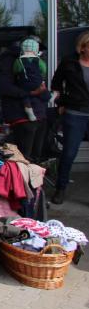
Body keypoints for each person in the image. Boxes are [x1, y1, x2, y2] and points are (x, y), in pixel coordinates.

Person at [50, 30, 89, 204]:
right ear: (83, 47)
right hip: (75, 113)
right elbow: (56, 84)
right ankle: (61, 187)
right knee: (69, 153)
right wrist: (61, 102)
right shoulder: (70, 62)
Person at [0, 37, 50, 163]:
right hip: (22, 117)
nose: (39, 53)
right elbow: (6, 87)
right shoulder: (13, 61)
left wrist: (44, 94)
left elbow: (40, 88)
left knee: (34, 158)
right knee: (24, 159)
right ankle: (24, 182)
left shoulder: (31, 61)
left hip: (38, 115)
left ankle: (32, 181)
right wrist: (32, 93)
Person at [13, 37, 47, 121]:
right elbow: (44, 69)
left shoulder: (19, 61)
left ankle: (28, 107)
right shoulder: (39, 60)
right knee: (43, 92)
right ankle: (49, 98)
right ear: (36, 49)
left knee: (25, 96)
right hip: (37, 83)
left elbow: (15, 70)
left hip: (24, 83)